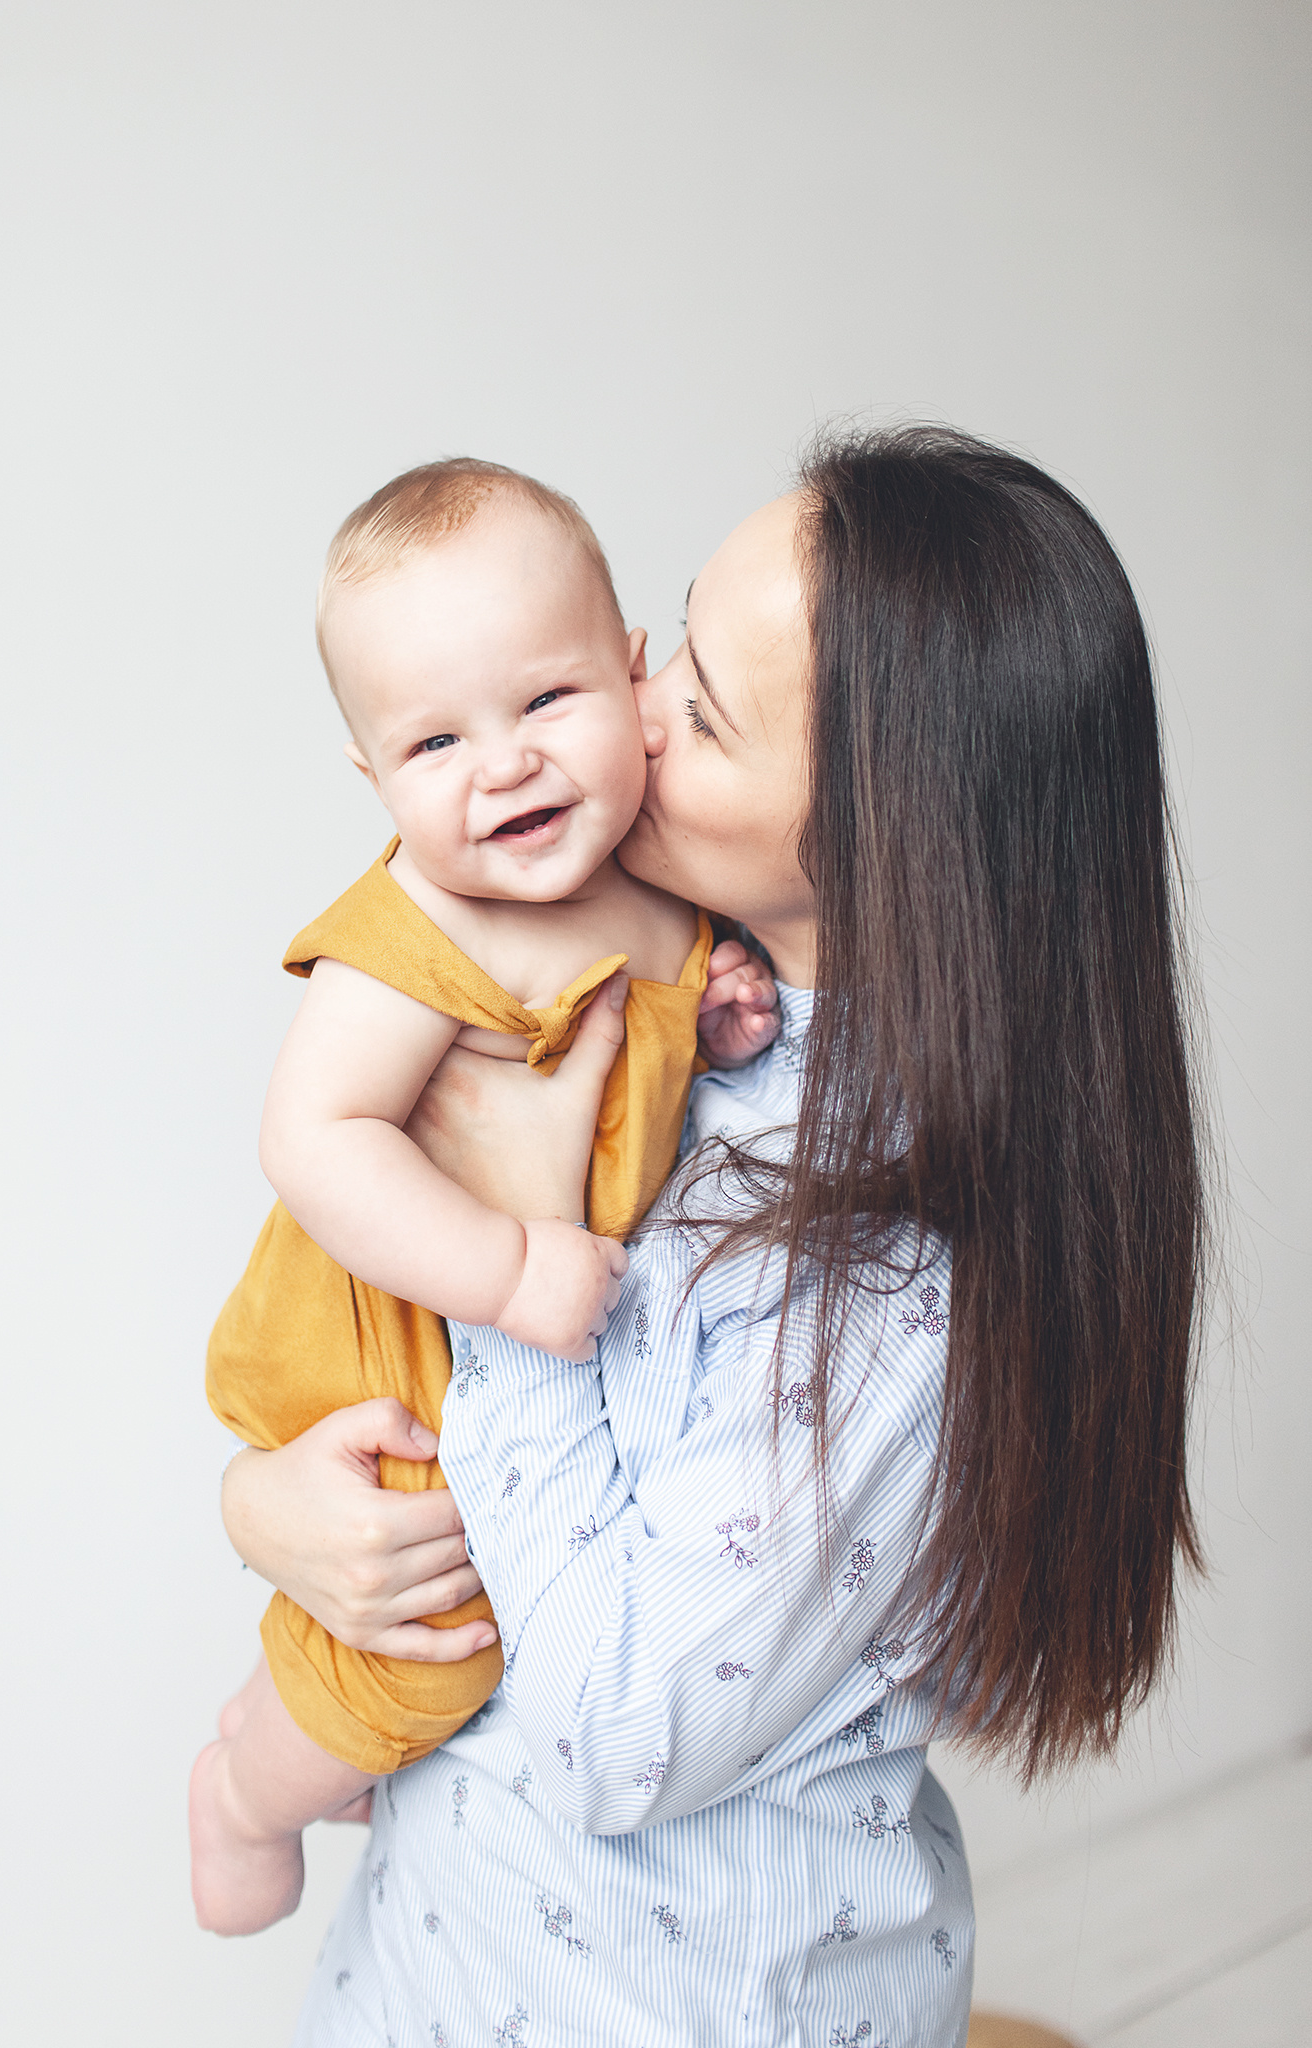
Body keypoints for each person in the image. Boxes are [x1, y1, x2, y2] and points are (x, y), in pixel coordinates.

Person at [220, 427, 1205, 2048]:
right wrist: (271, 1502)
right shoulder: (668, 1010)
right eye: (673, 634)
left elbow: (619, 1732)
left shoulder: (899, 1278)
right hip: (434, 1964)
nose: (629, 710)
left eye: (706, 712)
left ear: (897, 843)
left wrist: (516, 1248)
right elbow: (365, 1323)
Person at [191, 459, 779, 1935]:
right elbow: (315, 1138)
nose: (502, 764)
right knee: (431, 1629)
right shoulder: (419, 927)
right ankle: (246, 1789)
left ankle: (327, 1759)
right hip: (385, 1345)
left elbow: (629, 1072)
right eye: (436, 738)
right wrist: (509, 1272)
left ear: (632, 674)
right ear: (373, 779)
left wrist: (703, 1020)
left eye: (546, 702)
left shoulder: (652, 883)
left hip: (502, 1355)